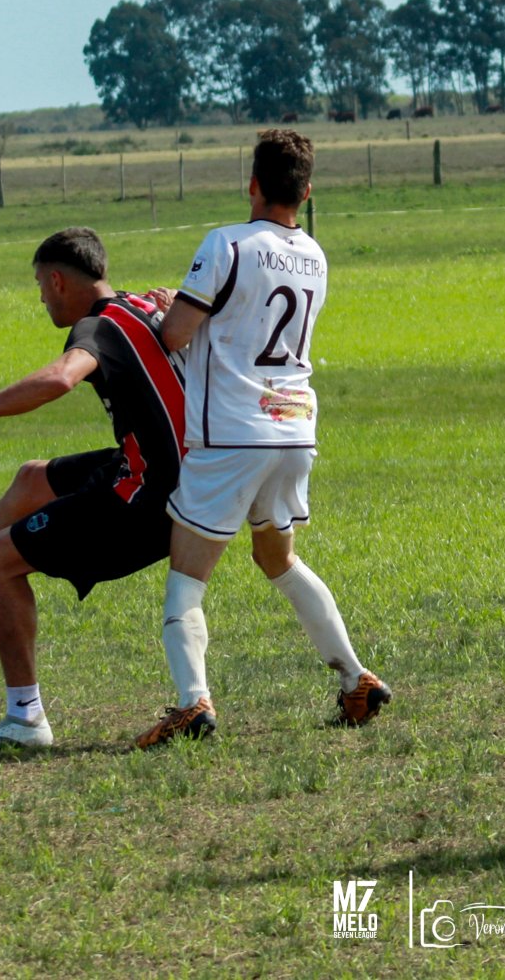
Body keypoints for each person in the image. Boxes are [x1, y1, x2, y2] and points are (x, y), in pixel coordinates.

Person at [132, 129, 389, 750]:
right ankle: (355, 679)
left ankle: (193, 702)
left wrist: (164, 310)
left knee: (186, 580)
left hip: (233, 434)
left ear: (252, 184)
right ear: (307, 191)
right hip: (294, 428)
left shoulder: (226, 243)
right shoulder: (316, 256)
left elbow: (176, 335)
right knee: (278, 559)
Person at [0, 227, 186, 753]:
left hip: (151, 501)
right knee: (33, 477)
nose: (41, 299)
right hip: (183, 473)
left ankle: (25, 719)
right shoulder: (142, 306)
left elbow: (60, 379)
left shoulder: (96, 328)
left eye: (40, 287)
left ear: (57, 281)